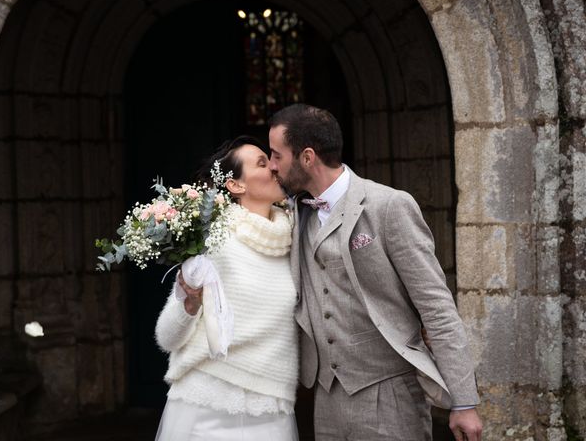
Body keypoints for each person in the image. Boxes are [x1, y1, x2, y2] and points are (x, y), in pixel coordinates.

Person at [267, 104, 483, 441]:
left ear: (307, 158)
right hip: (326, 396)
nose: (271, 165)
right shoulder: (295, 214)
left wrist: (464, 401)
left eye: (277, 155)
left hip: (390, 394)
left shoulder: (389, 206)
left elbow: (436, 307)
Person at [154, 136, 299, 441]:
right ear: (235, 186)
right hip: (206, 406)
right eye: (262, 163)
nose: (274, 167)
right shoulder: (214, 240)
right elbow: (167, 338)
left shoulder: (296, 240)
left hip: (271, 408)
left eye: (272, 160)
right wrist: (189, 304)